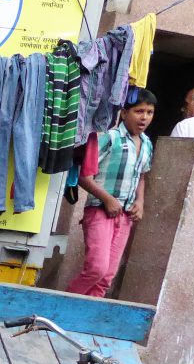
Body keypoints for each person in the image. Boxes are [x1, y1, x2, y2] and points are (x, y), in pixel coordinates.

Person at [67, 90, 156, 298]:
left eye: (150, 112)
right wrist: (107, 199)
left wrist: (140, 202)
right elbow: (83, 175)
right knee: (96, 269)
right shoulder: (110, 138)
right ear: (124, 113)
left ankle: (84, 319)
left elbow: (142, 177)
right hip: (100, 211)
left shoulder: (147, 144)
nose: (144, 117)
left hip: (125, 217)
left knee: (106, 277)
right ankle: (55, 311)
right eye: (139, 111)